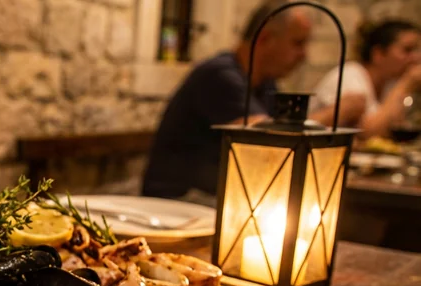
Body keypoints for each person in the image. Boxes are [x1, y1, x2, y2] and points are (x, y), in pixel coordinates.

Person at [143, 0, 366, 201]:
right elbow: (272, 144)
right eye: (297, 43)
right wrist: (339, 110)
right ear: (265, 38)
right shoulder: (219, 75)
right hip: (180, 199)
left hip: (219, 196)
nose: (304, 55)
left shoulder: (265, 83)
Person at [310, 20, 421, 139]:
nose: (416, 58)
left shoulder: (390, 83)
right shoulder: (351, 76)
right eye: (407, 50)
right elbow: (369, 134)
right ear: (378, 54)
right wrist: (406, 84)